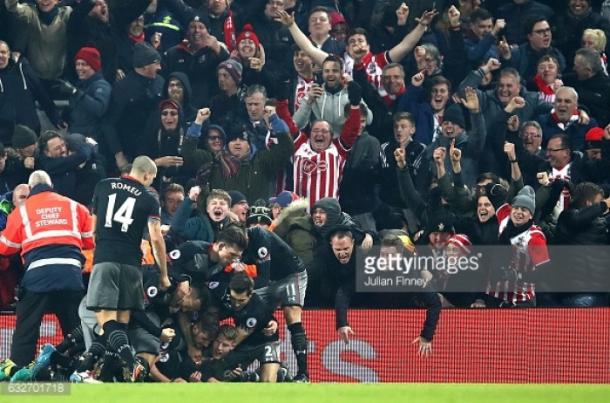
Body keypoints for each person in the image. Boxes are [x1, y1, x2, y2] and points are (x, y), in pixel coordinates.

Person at [0, 170, 94, 381]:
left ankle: (19, 376)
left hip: (38, 277)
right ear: (51, 185)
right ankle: (80, 374)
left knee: (26, 330)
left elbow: (6, 248)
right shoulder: (74, 206)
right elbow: (89, 241)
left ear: (31, 189)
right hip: (71, 275)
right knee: (75, 330)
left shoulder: (22, 212)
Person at [86, 156, 170, 382]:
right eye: (151, 178)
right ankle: (108, 379)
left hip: (106, 259)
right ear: (146, 174)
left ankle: (130, 363)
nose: (150, 182)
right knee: (121, 324)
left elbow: (92, 229)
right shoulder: (149, 198)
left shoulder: (103, 186)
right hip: (133, 265)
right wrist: (163, 275)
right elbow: (156, 238)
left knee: (106, 323)